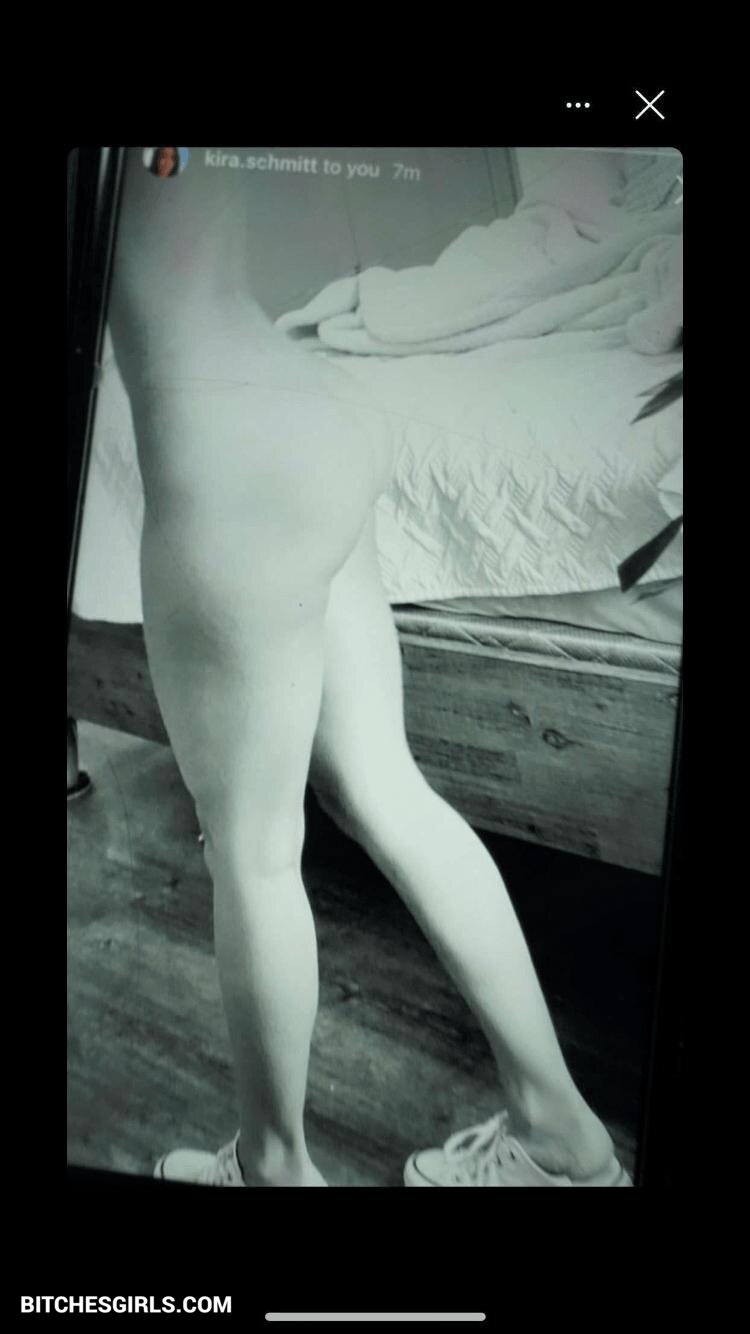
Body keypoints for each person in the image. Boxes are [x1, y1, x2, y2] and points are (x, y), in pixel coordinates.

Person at [107, 149, 631, 1188]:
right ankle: (564, 1137)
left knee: (253, 851)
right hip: (308, 398)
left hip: (223, 440)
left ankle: (272, 1167)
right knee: (383, 783)